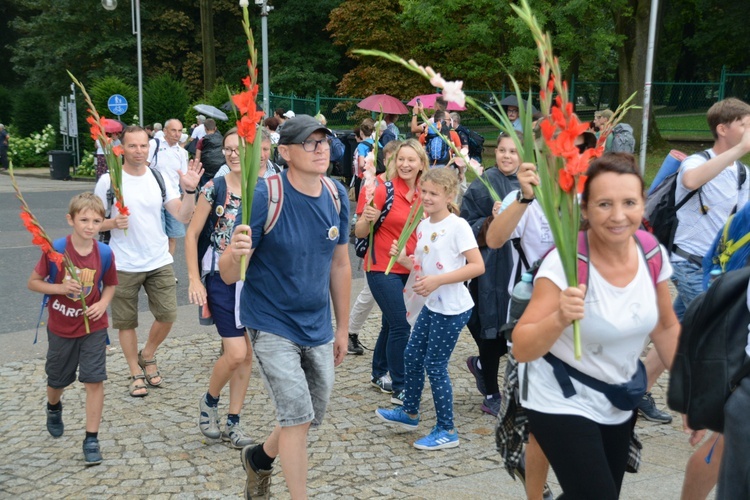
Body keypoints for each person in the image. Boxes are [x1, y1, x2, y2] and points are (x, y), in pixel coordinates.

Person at [512, 153, 681, 499]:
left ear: (643, 204)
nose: (618, 216)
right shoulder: (565, 263)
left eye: (629, 202)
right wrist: (559, 317)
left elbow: (665, 328)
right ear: (585, 210)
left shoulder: (651, 254)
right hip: (559, 397)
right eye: (604, 204)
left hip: (617, 396)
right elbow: (523, 346)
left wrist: (692, 396)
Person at [219, 114, 350, 499]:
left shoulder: (335, 195)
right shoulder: (264, 195)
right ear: (286, 152)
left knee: (306, 416)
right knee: (296, 417)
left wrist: (343, 328)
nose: (321, 148)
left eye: (324, 141)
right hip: (271, 322)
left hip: (318, 325)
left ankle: (259, 458)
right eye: (310, 143)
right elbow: (229, 274)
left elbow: (340, 264)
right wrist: (233, 252)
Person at [642, 99, 750, 429]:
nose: (749, 131)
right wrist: (740, 149)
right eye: (744, 124)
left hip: (715, 268)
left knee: (674, 330)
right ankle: (714, 405)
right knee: (716, 334)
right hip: (687, 264)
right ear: (723, 128)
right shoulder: (696, 162)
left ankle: (636, 391)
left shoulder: (742, 173)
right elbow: (690, 182)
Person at [375, 168, 484, 450]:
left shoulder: (458, 226)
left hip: (453, 308)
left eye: (434, 193)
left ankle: (447, 429)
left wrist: (437, 281)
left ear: (449, 195)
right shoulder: (423, 226)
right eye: (424, 192)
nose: (426, 197)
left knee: (434, 365)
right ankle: (410, 412)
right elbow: (422, 268)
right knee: (412, 355)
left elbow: (477, 266)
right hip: (433, 305)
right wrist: (403, 258)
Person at [95, 125, 202, 398]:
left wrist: (190, 192)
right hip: (122, 263)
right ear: (122, 148)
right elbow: (92, 223)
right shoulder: (109, 181)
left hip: (158, 259)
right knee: (126, 322)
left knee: (168, 315)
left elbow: (182, 215)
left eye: (143, 146)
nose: (139, 151)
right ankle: (134, 371)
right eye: (132, 146)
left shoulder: (159, 177)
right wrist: (111, 222)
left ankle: (148, 354)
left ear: (149, 147)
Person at [27, 193, 118, 465]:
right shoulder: (56, 250)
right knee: (57, 380)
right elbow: (34, 282)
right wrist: (60, 288)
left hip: (94, 328)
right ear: (71, 220)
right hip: (61, 327)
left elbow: (111, 285)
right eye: (84, 220)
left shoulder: (104, 252)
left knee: (94, 379)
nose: (90, 226)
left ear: (103, 223)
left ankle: (91, 438)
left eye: (96, 221)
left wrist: (102, 304)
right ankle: (53, 406)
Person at [185, 127, 254, 449]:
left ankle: (233, 421)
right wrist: (194, 278)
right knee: (236, 351)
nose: (232, 153)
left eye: (238, 148)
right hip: (219, 277)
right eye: (227, 149)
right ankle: (210, 401)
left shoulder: (263, 189)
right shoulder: (216, 187)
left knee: (247, 355)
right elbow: (191, 234)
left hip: (253, 282)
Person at [354, 139, 427, 404]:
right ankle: (401, 385)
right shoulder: (382, 189)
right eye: (401, 159)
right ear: (394, 162)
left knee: (389, 322)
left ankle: (378, 372)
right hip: (381, 266)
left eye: (411, 160)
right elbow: (360, 232)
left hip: (411, 267)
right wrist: (366, 219)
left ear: (421, 163)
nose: (406, 164)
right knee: (401, 324)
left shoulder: (425, 191)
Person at [459, 132, 523, 416]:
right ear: (494, 152)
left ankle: (484, 366)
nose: (507, 156)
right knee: (490, 327)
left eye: (513, 151)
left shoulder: (532, 185)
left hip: (520, 266)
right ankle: (492, 393)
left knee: (517, 330)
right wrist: (490, 220)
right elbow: (465, 224)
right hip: (490, 268)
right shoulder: (482, 185)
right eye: (502, 150)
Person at [347, 139, 401, 356]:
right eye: (391, 159)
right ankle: (350, 332)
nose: (396, 164)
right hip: (377, 251)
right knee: (369, 294)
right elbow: (360, 221)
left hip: (401, 253)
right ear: (384, 160)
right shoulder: (373, 184)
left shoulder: (408, 185)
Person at [147, 118, 190, 257]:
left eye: (179, 131)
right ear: (165, 131)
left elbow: (183, 177)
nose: (177, 134)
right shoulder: (154, 144)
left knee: (172, 236)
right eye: (173, 130)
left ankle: (168, 268)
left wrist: (187, 199)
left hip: (174, 197)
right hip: (154, 197)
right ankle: (155, 266)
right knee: (157, 236)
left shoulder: (182, 152)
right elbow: (144, 167)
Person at [194, 119, 225, 188]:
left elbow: (197, 157)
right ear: (215, 128)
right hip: (220, 169)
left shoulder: (202, 140)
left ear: (205, 128)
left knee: (204, 188)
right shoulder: (222, 139)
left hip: (206, 170)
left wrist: (196, 170)